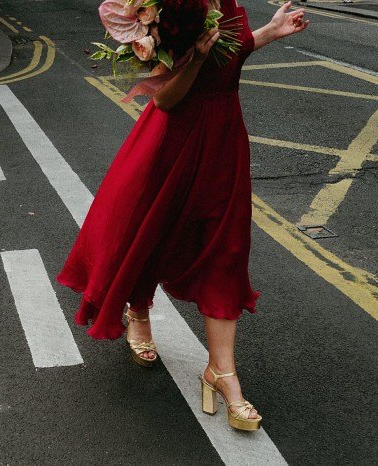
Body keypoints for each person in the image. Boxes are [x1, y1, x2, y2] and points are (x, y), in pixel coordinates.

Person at [57, 0, 309, 431]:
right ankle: (138, 313)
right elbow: (167, 99)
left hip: (224, 138)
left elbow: (230, 54)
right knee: (149, 233)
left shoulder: (225, 3)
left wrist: (269, 31)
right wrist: (195, 58)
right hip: (172, 141)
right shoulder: (167, 8)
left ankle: (222, 373)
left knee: (224, 250)